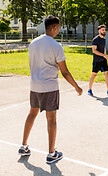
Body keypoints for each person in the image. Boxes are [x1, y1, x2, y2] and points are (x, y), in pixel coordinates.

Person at [18, 15, 83, 164]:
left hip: (34, 85)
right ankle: (51, 153)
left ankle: (23, 145)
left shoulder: (33, 43)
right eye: (58, 28)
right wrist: (77, 87)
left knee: (32, 113)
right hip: (49, 86)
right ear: (53, 27)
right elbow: (65, 72)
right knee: (51, 118)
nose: (59, 31)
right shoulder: (56, 46)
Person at [88, 25, 108, 97]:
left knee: (107, 74)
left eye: (104, 30)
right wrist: (103, 55)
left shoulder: (104, 39)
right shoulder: (95, 39)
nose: (104, 31)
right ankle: (89, 89)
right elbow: (94, 50)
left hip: (103, 60)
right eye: (102, 30)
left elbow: (104, 49)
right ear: (99, 31)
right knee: (94, 75)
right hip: (97, 60)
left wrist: (106, 57)